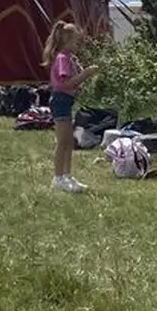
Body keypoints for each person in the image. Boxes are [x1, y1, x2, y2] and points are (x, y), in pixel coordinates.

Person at [45, 21, 97, 193]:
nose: (78, 45)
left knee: (68, 142)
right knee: (62, 142)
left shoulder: (67, 58)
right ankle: (58, 178)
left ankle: (67, 176)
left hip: (66, 101)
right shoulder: (62, 58)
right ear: (67, 41)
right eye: (76, 41)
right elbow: (66, 83)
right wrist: (84, 75)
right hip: (60, 101)